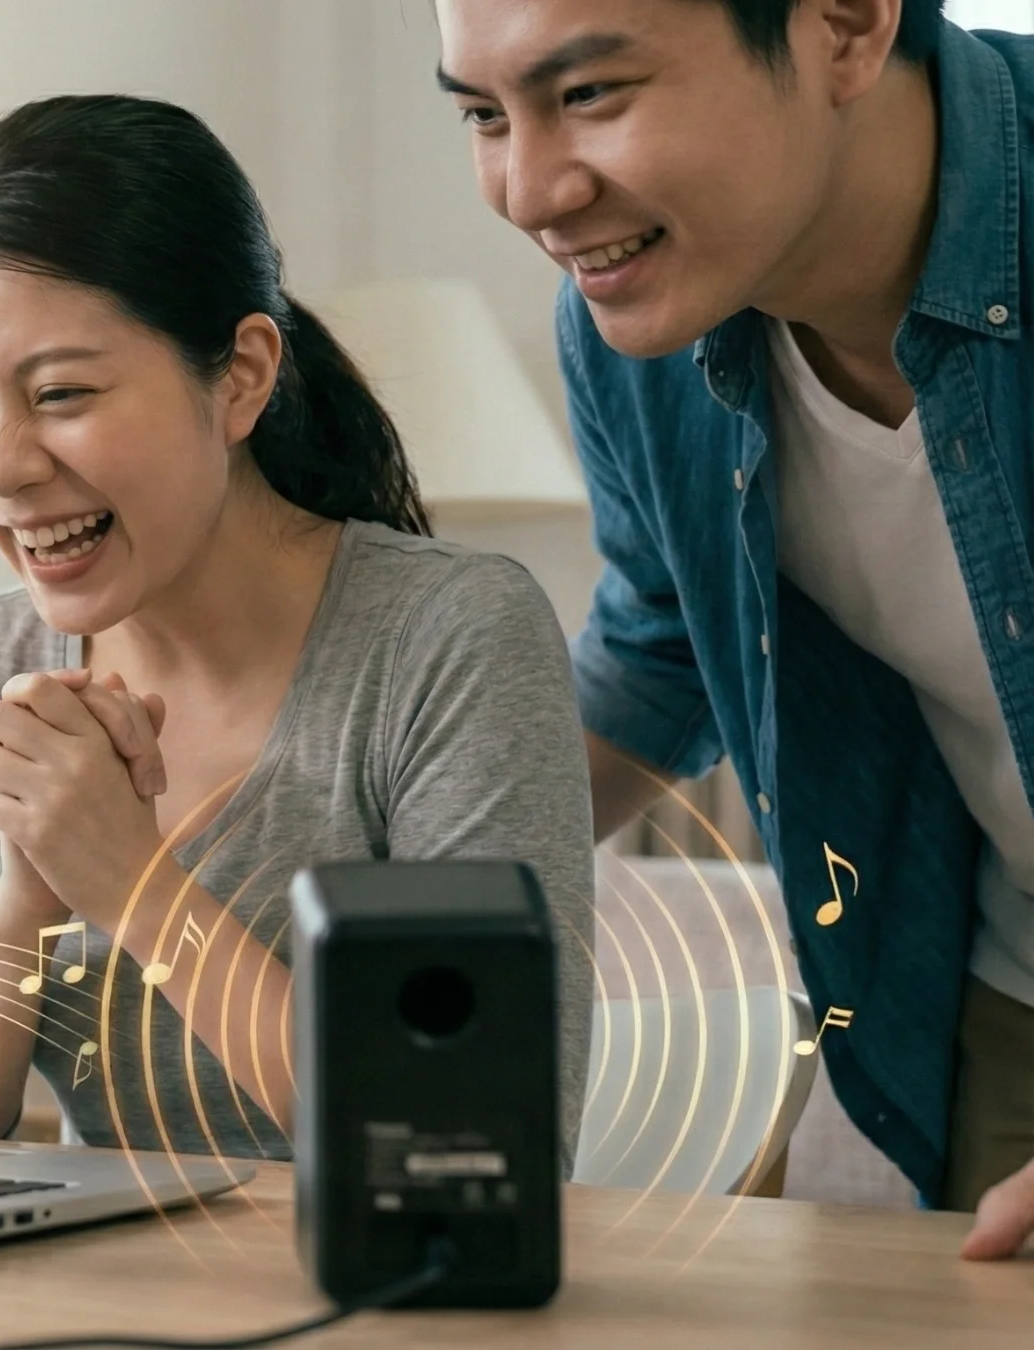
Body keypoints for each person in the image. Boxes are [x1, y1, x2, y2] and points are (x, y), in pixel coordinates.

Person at [0, 94, 594, 1162]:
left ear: (241, 377)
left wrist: (131, 881)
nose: (3, 467)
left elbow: (470, 1133)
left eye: (61, 393)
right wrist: (22, 907)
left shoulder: (447, 639)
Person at [434, 0, 1034, 1256]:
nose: (530, 193)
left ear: (846, 25)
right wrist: (376, 875)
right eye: (485, 115)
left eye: (590, 94)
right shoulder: (632, 340)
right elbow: (662, 647)